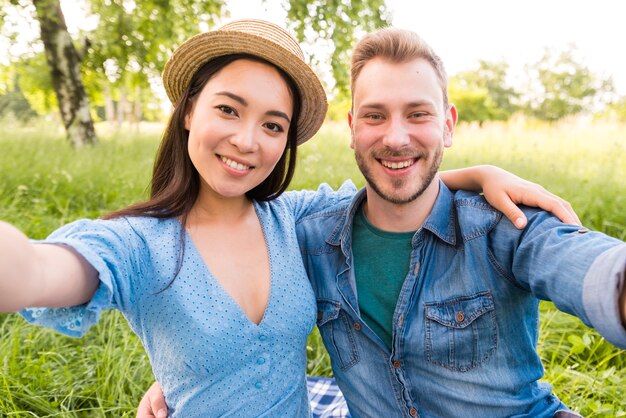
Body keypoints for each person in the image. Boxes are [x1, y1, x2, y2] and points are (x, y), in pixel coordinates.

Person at [1, 20, 578, 418]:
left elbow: (391, 185)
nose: (247, 141)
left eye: (273, 125)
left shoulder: (295, 219)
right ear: (187, 115)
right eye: (228, 109)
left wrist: (476, 173)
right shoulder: (138, 244)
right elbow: (35, 267)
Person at [137, 26, 626, 418]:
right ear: (352, 129)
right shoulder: (308, 233)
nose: (395, 138)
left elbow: (593, 268)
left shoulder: (504, 227)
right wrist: (191, 369)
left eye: (417, 114)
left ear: (448, 124)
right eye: (375, 116)